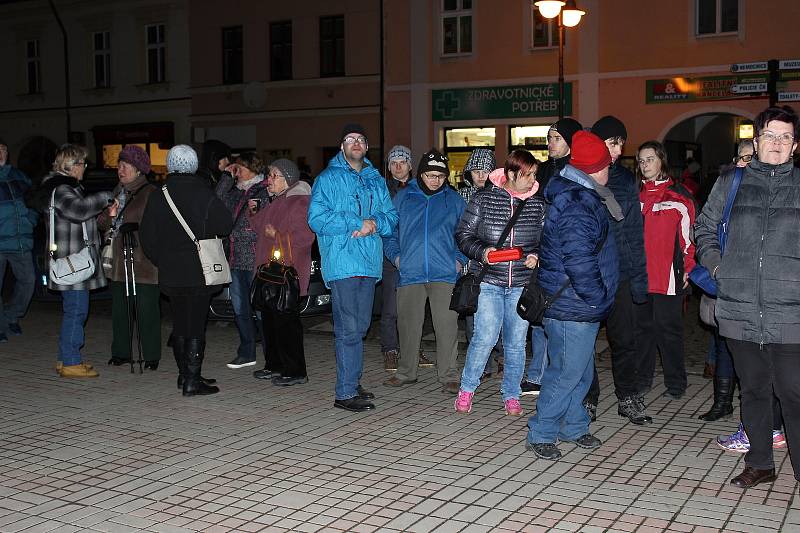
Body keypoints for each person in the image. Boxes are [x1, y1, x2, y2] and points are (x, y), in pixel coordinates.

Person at [694, 105, 800, 489]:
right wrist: (719, 268)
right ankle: (760, 463)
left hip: (791, 311)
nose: (776, 143)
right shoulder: (731, 182)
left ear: (794, 145)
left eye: (785, 137)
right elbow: (704, 229)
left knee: (793, 393)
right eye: (770, 136)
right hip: (738, 307)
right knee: (753, 389)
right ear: (756, 142)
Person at [525, 131, 619, 460]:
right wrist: (597, 295)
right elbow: (578, 259)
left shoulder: (580, 193)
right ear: (596, 168)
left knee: (580, 369)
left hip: (578, 303)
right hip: (573, 303)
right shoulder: (578, 201)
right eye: (608, 164)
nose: (612, 169)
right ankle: (542, 430)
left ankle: (574, 424)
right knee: (566, 371)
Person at [307, 123, 398, 412]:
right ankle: (344, 393)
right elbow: (317, 218)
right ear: (342, 146)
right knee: (348, 329)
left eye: (361, 139)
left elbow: (391, 217)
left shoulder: (375, 179)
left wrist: (373, 226)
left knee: (359, 328)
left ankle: (352, 381)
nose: (356, 143)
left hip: (369, 264)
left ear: (367, 147)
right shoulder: (328, 178)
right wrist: (356, 222)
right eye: (350, 139)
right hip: (343, 263)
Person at [454, 149, 546, 416]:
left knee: (516, 342)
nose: (532, 180)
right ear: (511, 174)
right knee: (484, 338)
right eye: (527, 175)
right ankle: (467, 389)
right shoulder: (484, 199)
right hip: (489, 282)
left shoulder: (537, 204)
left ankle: (512, 395)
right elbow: (463, 234)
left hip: (521, 283)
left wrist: (536, 256)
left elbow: (547, 240)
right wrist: (483, 252)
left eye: (534, 175)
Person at [140, 145, 232, 396]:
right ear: (193, 166)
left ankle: (185, 375)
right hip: (199, 270)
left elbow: (147, 237)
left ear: (170, 165)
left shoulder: (160, 194)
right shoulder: (202, 192)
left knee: (180, 323)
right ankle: (192, 381)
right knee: (195, 325)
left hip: (171, 271)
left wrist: (163, 260)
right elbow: (225, 224)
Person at [581, 116, 650, 425]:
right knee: (584, 341)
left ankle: (628, 397)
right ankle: (587, 398)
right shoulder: (578, 177)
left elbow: (634, 231)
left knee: (625, 339)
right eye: (613, 142)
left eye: (622, 143)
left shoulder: (624, 179)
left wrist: (639, 278)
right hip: (589, 274)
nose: (619, 149)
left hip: (620, 272)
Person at [383, 148, 466, 394]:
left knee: (447, 326)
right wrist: (397, 258)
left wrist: (459, 261)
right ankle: (406, 372)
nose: (435, 180)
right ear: (420, 174)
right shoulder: (404, 197)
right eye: (430, 175)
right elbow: (389, 232)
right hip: (410, 272)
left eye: (440, 176)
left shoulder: (454, 200)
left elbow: (465, 235)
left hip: (444, 273)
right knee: (408, 325)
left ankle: (449, 374)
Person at [27, 144, 114, 377]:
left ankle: (65, 358)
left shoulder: (62, 188)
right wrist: (106, 196)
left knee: (73, 310)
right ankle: (71, 362)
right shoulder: (62, 189)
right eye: (82, 163)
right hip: (72, 262)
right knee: (76, 311)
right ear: (72, 165)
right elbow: (79, 210)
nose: (84, 168)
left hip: (71, 260)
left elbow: (83, 220)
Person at [697, 139, 754, 422]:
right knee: (723, 343)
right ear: (735, 161)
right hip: (726, 278)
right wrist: (716, 267)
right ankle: (722, 402)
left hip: (756, 286)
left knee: (751, 352)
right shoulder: (727, 188)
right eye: (744, 158)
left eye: (753, 158)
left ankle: (752, 411)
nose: (748, 163)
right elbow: (705, 227)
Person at [635, 140, 695, 401]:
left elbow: (689, 240)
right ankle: (642, 381)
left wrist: (688, 269)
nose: (644, 164)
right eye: (641, 160)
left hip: (669, 277)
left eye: (649, 159)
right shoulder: (633, 196)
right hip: (639, 276)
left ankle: (676, 382)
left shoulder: (679, 197)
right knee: (642, 332)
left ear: (661, 160)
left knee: (669, 332)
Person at [249, 159, 314, 386]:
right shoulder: (278, 200)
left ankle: (296, 371)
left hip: (288, 275)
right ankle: (274, 365)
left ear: (287, 178)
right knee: (270, 321)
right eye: (269, 175)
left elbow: (305, 237)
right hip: (271, 273)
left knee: (286, 323)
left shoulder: (299, 201)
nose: (269, 180)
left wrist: (276, 235)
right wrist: (255, 211)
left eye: (274, 175)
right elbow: (260, 226)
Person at [98, 146, 160, 369]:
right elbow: (101, 223)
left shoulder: (150, 193)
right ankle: (121, 352)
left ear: (138, 170)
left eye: (125, 166)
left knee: (147, 311)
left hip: (143, 262)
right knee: (120, 311)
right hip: (117, 263)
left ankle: (151, 355)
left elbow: (156, 227)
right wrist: (110, 216)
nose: (120, 170)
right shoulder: (117, 192)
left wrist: (131, 228)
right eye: (119, 166)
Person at [215, 152, 270, 370]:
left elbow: (259, 224)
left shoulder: (262, 191)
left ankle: (270, 354)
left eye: (240, 168)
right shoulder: (235, 192)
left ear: (251, 168)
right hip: (235, 258)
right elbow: (216, 200)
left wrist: (240, 233)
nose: (237, 171)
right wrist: (226, 177)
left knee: (260, 310)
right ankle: (247, 352)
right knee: (240, 310)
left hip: (255, 259)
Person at [457, 148, 504, 377]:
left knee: (499, 313)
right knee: (472, 314)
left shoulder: (502, 194)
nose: (481, 176)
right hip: (469, 263)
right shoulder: (461, 197)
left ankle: (502, 355)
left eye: (486, 171)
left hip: (496, 264)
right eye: (476, 171)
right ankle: (481, 364)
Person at [0, 139, 37, 343]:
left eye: (3, 149)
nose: (1, 154)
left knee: (28, 281)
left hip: (21, 241)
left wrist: (29, 220)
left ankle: (11, 316)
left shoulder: (19, 176)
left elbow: (34, 202)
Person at [535, 118, 583, 197]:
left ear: (570, 141)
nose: (550, 144)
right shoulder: (540, 169)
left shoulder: (578, 172)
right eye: (549, 138)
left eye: (557, 139)